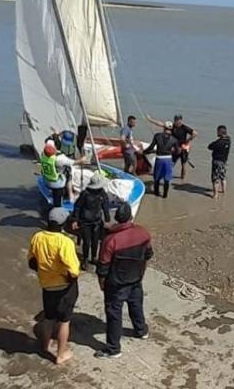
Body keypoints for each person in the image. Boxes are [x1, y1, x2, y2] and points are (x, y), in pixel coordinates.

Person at [95, 203, 152, 359]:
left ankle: (113, 349)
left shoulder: (110, 240)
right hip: (136, 278)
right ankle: (141, 331)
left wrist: (102, 283)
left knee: (114, 314)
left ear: (116, 218)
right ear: (130, 217)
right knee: (136, 305)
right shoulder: (143, 233)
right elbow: (148, 255)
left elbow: (103, 266)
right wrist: (142, 273)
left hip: (116, 283)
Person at [28, 207, 80, 365]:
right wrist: (67, 278)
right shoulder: (65, 242)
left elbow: (31, 262)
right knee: (65, 321)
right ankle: (61, 354)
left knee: (49, 317)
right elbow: (74, 271)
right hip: (64, 287)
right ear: (64, 224)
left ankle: (45, 345)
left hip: (46, 285)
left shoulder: (37, 237)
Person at [71, 174, 110, 270]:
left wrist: (107, 218)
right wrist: (75, 220)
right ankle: (85, 259)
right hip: (85, 222)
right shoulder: (85, 194)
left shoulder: (102, 193)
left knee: (95, 241)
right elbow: (77, 206)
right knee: (86, 242)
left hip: (96, 222)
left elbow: (105, 206)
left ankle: (93, 257)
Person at [147, 114, 196, 179]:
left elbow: (195, 133)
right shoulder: (172, 126)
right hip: (174, 149)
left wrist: (188, 140)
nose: (177, 122)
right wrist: (150, 120)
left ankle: (182, 179)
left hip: (183, 149)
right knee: (171, 164)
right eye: (176, 120)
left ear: (181, 120)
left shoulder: (184, 127)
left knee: (183, 165)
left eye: (178, 120)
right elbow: (161, 124)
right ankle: (166, 176)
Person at [143, 121, 178, 198]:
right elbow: (177, 151)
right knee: (167, 179)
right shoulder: (174, 139)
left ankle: (156, 193)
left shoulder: (157, 136)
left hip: (159, 159)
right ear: (171, 129)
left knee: (157, 178)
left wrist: (144, 152)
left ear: (163, 127)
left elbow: (151, 147)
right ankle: (165, 195)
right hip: (168, 160)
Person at [207, 125, 231, 198]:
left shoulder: (218, 142)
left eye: (217, 131)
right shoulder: (228, 141)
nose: (216, 133)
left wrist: (216, 141)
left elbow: (210, 147)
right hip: (224, 162)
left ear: (220, 132)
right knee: (223, 177)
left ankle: (215, 195)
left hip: (216, 162)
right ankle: (224, 191)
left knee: (215, 179)